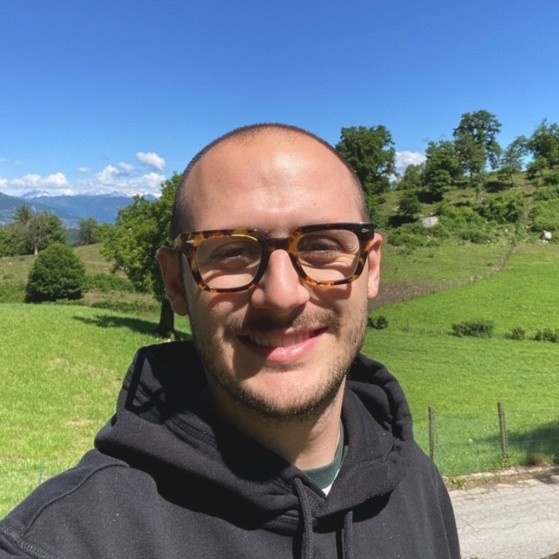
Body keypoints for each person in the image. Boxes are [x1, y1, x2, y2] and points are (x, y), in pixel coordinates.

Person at [0, 124, 460, 558]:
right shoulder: (60, 542)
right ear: (176, 283)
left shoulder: (416, 484)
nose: (281, 295)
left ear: (371, 267)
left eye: (321, 246)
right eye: (233, 251)